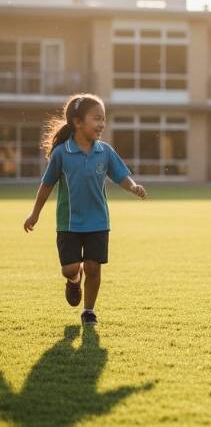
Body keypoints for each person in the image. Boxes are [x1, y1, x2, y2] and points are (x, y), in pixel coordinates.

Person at [23, 94, 147, 325]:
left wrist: (133, 187)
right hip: (69, 223)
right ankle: (73, 280)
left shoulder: (105, 151)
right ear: (78, 122)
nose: (102, 124)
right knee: (69, 268)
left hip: (98, 221)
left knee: (93, 266)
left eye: (104, 118)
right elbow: (47, 184)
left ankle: (88, 311)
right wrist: (35, 213)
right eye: (96, 118)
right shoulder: (61, 153)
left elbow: (121, 175)